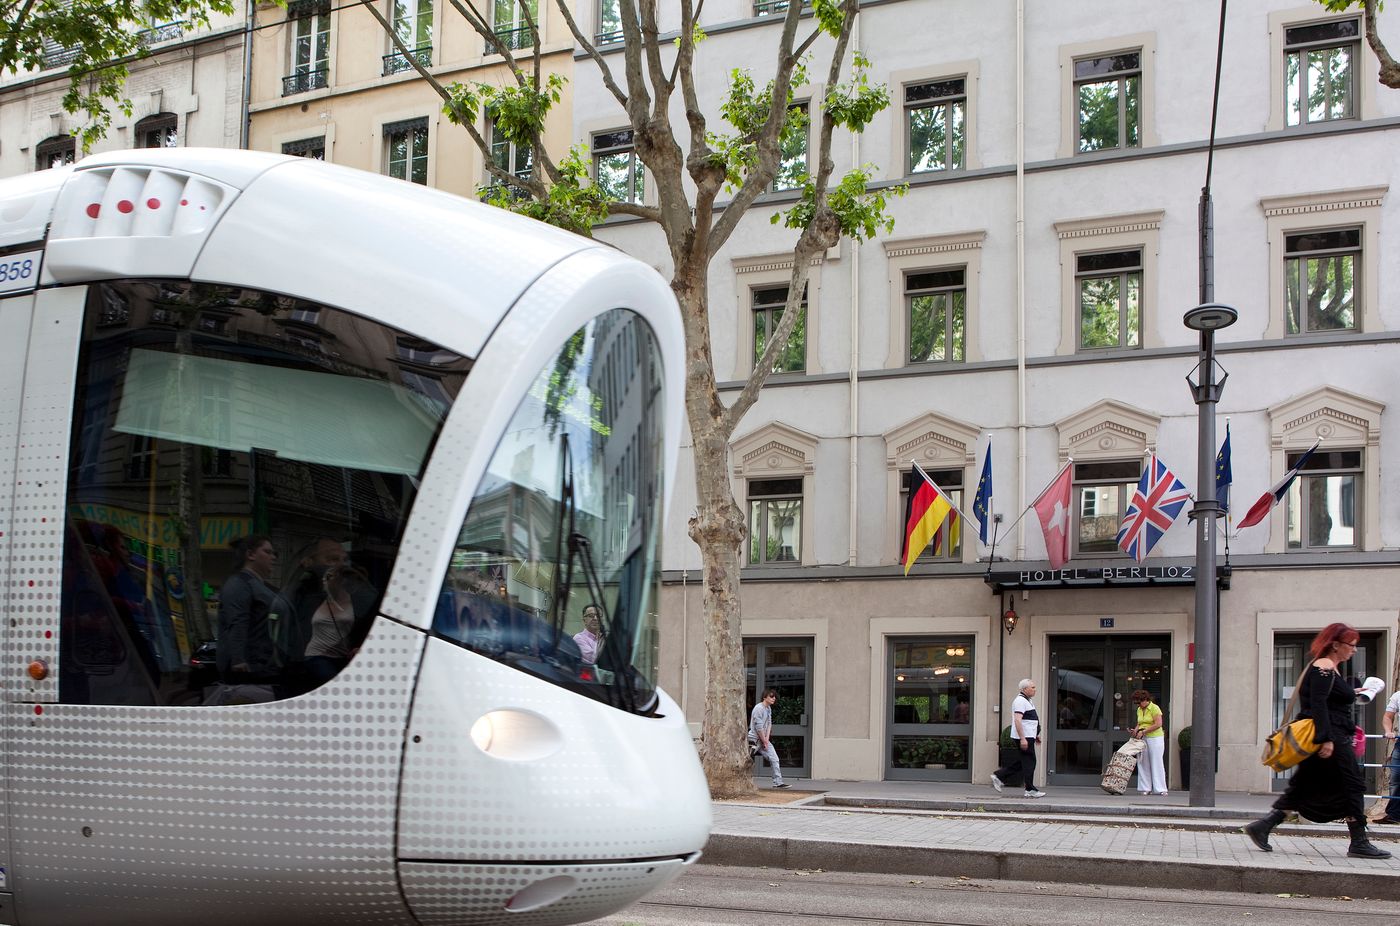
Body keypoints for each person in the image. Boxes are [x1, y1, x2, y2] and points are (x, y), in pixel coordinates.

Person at [1243, 623, 1391, 858]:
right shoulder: (1323, 666)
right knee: (1352, 784)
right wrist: (1326, 739)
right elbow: (1318, 703)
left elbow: (1328, 699)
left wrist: (1354, 693)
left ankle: (1263, 827)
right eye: (1350, 645)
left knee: (1305, 785)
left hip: (1330, 735)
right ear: (1335, 645)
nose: (1354, 650)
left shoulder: (1332, 668)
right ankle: (1359, 842)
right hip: (1330, 737)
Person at [216, 535, 282, 686]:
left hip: (265, 666)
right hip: (249, 669)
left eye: (274, 553)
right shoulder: (239, 583)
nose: (273, 557)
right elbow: (237, 621)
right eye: (268, 552)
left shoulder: (262, 587)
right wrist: (238, 660)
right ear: (250, 554)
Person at [992, 679, 1045, 798]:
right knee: (1030, 762)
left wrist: (1034, 735)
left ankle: (999, 776)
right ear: (1024, 689)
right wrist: (1023, 738)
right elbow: (1017, 720)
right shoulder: (1020, 701)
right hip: (1024, 737)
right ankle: (1030, 789)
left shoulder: (1027, 700)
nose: (1035, 689)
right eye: (1033, 687)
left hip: (1028, 736)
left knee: (1024, 762)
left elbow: (1028, 721)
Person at [748, 689, 789, 789]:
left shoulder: (768, 708)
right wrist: (764, 740)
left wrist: (766, 739)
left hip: (763, 740)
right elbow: (759, 727)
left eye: (774, 696)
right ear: (764, 697)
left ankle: (778, 782)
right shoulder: (759, 709)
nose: (774, 698)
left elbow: (769, 723)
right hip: (754, 740)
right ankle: (745, 782)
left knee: (774, 758)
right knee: (747, 760)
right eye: (771, 696)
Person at [1131, 689, 1168, 796]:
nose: (1139, 705)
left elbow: (1158, 724)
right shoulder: (1139, 709)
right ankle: (1145, 787)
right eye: (1137, 702)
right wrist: (1135, 730)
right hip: (1143, 738)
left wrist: (1144, 731)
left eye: (1140, 702)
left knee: (1156, 762)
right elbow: (1139, 723)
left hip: (1155, 738)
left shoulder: (1154, 708)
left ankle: (1161, 788)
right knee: (1143, 762)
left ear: (1146, 699)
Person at [1379, 687, 1400, 824]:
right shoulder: (1398, 695)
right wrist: (1388, 731)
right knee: (1396, 777)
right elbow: (1387, 716)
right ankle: (1394, 815)